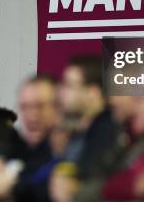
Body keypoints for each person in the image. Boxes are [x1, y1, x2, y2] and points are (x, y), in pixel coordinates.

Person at [49, 55, 124, 202]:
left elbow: (87, 182)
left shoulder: (107, 131)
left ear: (93, 93)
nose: (60, 92)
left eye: (69, 85)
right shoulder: (75, 133)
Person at [0, 75, 59, 201]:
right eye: (25, 107)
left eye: (40, 106)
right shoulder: (19, 149)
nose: (32, 117)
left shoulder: (72, 151)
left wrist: (13, 189)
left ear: (60, 107)